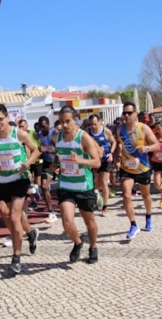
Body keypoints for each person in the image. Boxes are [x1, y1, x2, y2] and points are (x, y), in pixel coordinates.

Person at [0, 104, 41, 274]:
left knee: (15, 216)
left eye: (0, 119)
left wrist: (27, 163)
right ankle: (30, 233)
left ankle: (16, 258)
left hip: (20, 180)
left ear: (7, 118)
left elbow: (36, 151)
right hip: (3, 182)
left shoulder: (20, 134)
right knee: (3, 212)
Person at [53, 106, 101, 263]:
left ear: (75, 120)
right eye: (62, 122)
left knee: (89, 222)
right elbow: (58, 157)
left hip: (83, 186)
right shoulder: (57, 137)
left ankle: (93, 247)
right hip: (66, 185)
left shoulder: (83, 137)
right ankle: (78, 242)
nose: (64, 125)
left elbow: (97, 162)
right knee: (67, 221)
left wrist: (80, 160)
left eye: (67, 121)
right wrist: (54, 166)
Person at [117, 102, 160, 239]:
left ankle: (148, 216)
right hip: (126, 167)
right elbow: (118, 144)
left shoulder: (143, 128)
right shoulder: (120, 130)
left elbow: (156, 145)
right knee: (126, 195)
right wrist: (117, 156)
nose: (127, 115)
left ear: (136, 113)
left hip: (142, 168)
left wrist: (146, 148)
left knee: (146, 195)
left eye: (129, 113)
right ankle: (133, 224)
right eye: (124, 113)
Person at [87, 114, 116, 216]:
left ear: (100, 122)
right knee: (96, 184)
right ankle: (98, 200)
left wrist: (111, 153)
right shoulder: (88, 132)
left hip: (105, 160)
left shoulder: (106, 131)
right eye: (91, 125)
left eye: (95, 124)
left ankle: (105, 207)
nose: (93, 126)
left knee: (104, 183)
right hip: (95, 160)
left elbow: (114, 142)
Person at [38, 116, 58, 223]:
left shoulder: (54, 133)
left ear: (48, 125)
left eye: (44, 127)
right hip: (47, 163)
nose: (42, 129)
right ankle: (51, 211)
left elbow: (58, 149)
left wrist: (46, 149)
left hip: (58, 161)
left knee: (65, 188)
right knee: (44, 186)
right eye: (41, 127)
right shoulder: (40, 135)